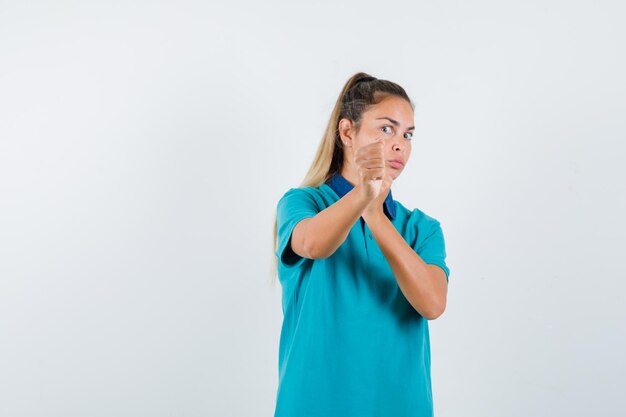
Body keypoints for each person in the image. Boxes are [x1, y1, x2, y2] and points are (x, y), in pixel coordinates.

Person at [271, 72, 450, 417]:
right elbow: (311, 244)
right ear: (347, 132)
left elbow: (432, 303)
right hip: (314, 406)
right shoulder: (302, 203)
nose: (400, 144)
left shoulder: (421, 228)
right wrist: (364, 193)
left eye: (407, 134)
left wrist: (376, 216)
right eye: (386, 129)